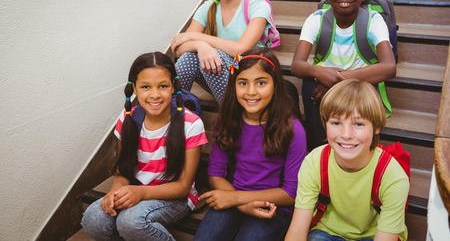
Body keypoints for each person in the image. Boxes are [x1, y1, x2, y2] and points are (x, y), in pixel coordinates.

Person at [81, 52, 208, 241]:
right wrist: (115, 192)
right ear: (134, 89)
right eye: (146, 87)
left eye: (163, 86)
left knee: (131, 221)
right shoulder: (127, 119)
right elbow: (122, 171)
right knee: (92, 219)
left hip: (175, 198)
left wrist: (141, 193)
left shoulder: (191, 124)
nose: (155, 95)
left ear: (173, 87)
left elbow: (183, 186)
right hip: (136, 188)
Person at [193, 48, 308, 241]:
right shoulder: (228, 120)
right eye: (243, 83)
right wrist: (240, 202)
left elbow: (290, 193)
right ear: (233, 86)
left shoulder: (293, 130)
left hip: (274, 206)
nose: (251, 92)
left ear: (276, 86)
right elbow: (215, 173)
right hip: (233, 195)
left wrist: (237, 199)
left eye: (261, 83)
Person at [291, 0, 396, 151]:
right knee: (308, 84)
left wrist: (338, 80)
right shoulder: (316, 20)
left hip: (359, 83)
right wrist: (317, 72)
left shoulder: (373, 19)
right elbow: (297, 65)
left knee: (367, 86)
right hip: (322, 84)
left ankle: (362, 149)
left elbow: (389, 67)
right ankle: (318, 149)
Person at [285, 79, 409, 241]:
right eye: (336, 122)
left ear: (376, 127)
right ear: (325, 124)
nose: (346, 134)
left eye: (358, 124)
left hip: (374, 236)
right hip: (328, 233)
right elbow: (297, 230)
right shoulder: (315, 161)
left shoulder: (393, 176)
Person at [171, 0, 273, 104]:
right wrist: (200, 46)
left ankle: (232, 117)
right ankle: (171, 113)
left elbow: (241, 49)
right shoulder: (207, 8)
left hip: (251, 78)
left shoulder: (258, 6)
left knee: (215, 54)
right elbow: (179, 48)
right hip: (221, 75)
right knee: (188, 58)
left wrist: (196, 36)